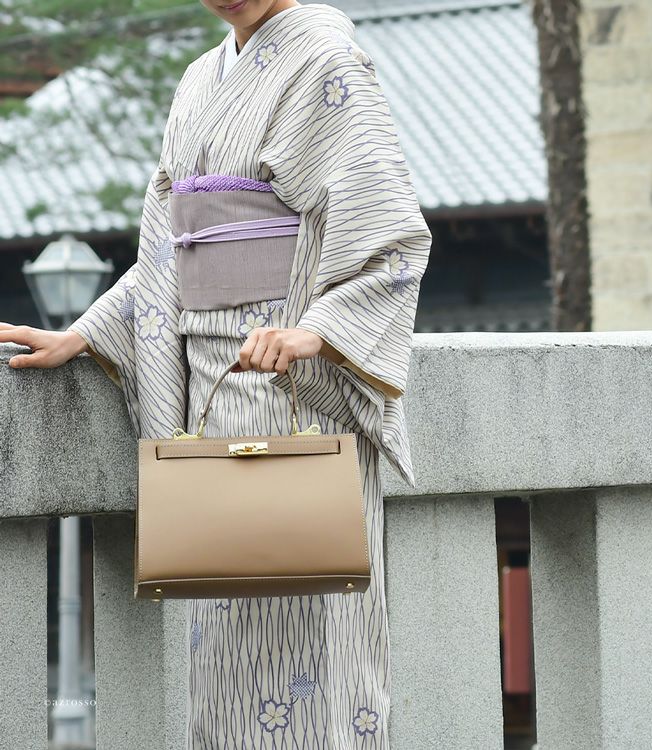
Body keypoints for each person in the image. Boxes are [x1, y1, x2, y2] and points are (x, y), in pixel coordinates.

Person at [0, 0, 432, 746]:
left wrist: (321, 328)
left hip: (293, 390)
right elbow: (172, 253)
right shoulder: (201, 77)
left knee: (317, 634)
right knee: (225, 655)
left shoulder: (327, 59)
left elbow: (387, 232)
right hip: (210, 398)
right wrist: (87, 333)